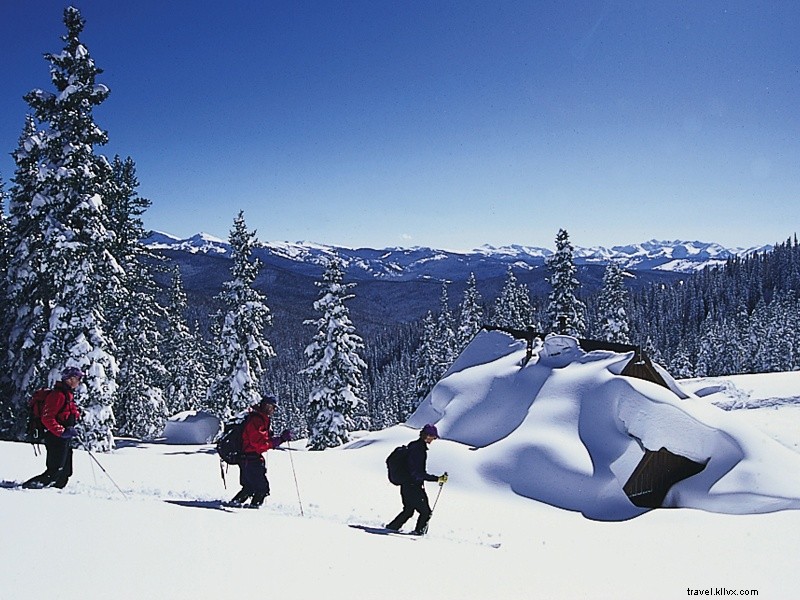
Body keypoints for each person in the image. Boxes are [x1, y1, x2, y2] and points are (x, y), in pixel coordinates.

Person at [226, 394, 292, 508]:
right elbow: (259, 444)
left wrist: (276, 439)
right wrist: (280, 439)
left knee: (249, 487)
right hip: (251, 458)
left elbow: (261, 440)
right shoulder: (257, 420)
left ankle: (236, 504)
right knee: (262, 489)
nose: (274, 410)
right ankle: (254, 512)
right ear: (266, 406)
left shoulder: (259, 418)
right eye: (273, 407)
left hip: (247, 458)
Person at [22, 366, 83, 489]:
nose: (79, 381)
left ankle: (55, 493)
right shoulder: (58, 395)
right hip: (55, 437)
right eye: (78, 378)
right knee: (54, 471)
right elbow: (47, 418)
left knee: (65, 472)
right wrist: (61, 432)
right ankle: (29, 489)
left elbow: (66, 412)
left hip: (64, 437)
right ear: (70, 379)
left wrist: (76, 415)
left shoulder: (68, 395)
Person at [386, 423, 448, 535]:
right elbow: (418, 473)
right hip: (413, 486)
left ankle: (392, 527)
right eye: (433, 436)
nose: (433, 439)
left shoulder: (414, 446)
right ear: (427, 435)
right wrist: (437, 479)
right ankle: (419, 535)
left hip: (406, 485)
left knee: (408, 510)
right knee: (426, 512)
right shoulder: (419, 450)